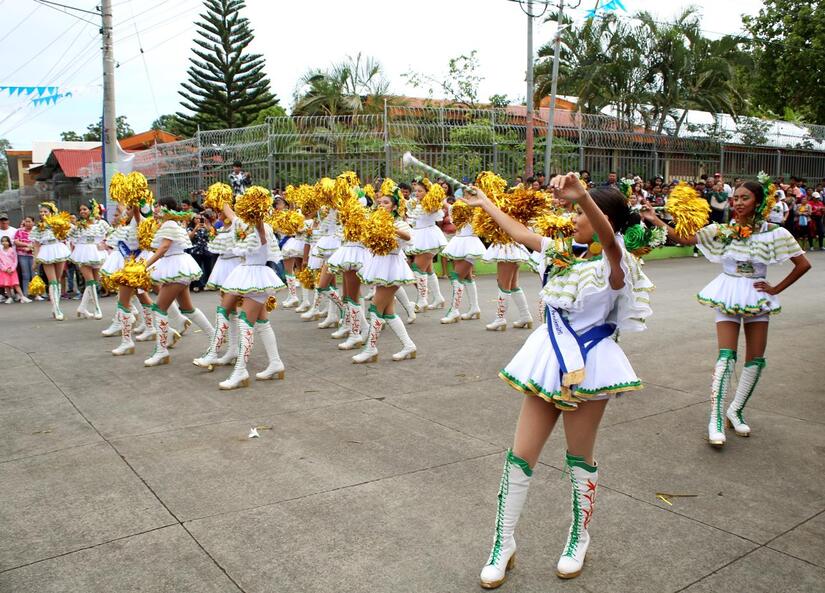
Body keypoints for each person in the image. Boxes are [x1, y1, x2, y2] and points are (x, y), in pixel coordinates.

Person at [463, 174, 653, 585]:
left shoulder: (615, 260)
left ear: (605, 218)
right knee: (520, 456)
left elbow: (608, 236)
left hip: (591, 364)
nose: (574, 216)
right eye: (573, 209)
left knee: (579, 458)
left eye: (582, 212)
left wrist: (584, 196)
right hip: (548, 360)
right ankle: (503, 542)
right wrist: (486, 204)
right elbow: (519, 232)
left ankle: (578, 538)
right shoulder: (562, 253)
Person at [641, 178, 810, 447]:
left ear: (759, 201)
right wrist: (654, 219)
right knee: (726, 356)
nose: (738, 203)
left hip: (758, 295)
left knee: (756, 358)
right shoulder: (722, 230)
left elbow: (802, 264)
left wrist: (776, 288)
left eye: (745, 198)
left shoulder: (775, 233)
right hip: (728, 293)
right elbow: (685, 238)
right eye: (736, 198)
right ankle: (716, 418)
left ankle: (736, 410)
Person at [215, 213, 286, 390]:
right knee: (262, 323)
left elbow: (261, 234)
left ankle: (240, 371)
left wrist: (258, 215)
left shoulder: (262, 228)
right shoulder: (245, 227)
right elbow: (232, 215)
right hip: (248, 275)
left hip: (256, 278)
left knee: (245, 323)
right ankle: (276, 363)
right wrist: (223, 200)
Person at [142, 198, 214, 367]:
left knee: (159, 309)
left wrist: (145, 265)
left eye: (158, 207)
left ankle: (161, 352)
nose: (156, 210)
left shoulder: (169, 225)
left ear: (166, 208)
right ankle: (215, 337)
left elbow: (164, 247)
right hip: (179, 267)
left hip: (175, 268)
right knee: (188, 309)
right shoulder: (174, 224)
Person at [355, 184, 417, 363]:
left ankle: (371, 348)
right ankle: (409, 346)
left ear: (395, 207)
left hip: (393, 267)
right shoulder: (374, 220)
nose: (382, 205)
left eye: (386, 203)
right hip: (379, 265)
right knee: (389, 312)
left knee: (375, 307)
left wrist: (390, 228)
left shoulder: (399, 222)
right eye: (380, 202)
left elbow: (409, 238)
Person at [439, 199, 484, 323]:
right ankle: (474, 308)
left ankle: (454, 311)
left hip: (470, 245)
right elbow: (448, 205)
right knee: (467, 277)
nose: (466, 196)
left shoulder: (479, 210)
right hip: (459, 243)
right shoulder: (457, 208)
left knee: (456, 276)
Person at [407, 178, 447, 311]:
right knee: (429, 270)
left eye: (420, 191)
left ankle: (422, 300)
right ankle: (438, 298)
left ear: (427, 192)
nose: (417, 193)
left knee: (417, 268)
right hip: (418, 236)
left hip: (428, 238)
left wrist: (435, 193)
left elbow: (438, 205)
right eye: (416, 190)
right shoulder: (415, 204)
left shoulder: (432, 204)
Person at [31, 202, 72, 320]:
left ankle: (56, 307)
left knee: (58, 279)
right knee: (52, 281)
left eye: (45, 212)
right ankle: (56, 309)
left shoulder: (58, 224)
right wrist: (36, 260)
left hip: (58, 249)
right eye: (41, 212)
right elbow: (36, 245)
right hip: (46, 252)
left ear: (51, 213)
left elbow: (66, 237)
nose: (43, 214)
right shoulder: (38, 227)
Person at [68, 200, 108, 319]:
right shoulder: (78, 225)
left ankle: (82, 307)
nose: (82, 212)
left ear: (91, 210)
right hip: (83, 253)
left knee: (95, 282)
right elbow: (68, 237)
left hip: (97, 252)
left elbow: (112, 234)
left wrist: (105, 244)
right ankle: (97, 309)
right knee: (90, 282)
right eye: (80, 210)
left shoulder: (101, 223)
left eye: (85, 209)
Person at [187, 212, 213, 292]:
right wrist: (195, 228)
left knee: (208, 268)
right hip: (195, 250)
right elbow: (189, 237)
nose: (198, 220)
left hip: (206, 249)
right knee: (197, 268)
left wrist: (207, 228)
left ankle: (207, 284)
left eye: (200, 218)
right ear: (193, 220)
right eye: (196, 218)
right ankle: (197, 285)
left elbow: (212, 236)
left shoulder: (205, 227)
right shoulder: (190, 228)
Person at [0, 236, 30, 303]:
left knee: (16, 284)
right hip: (4, 271)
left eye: (6, 241)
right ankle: (10, 297)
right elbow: (0, 262)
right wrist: (5, 269)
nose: (4, 242)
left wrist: (12, 268)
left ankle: (22, 297)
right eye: (3, 241)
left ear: (9, 242)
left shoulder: (12, 250)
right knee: (6, 285)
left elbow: (15, 260)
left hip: (12, 270)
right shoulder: (0, 251)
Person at [13, 217, 35, 299]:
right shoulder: (19, 231)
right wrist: (27, 245)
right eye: (26, 221)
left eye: (29, 221)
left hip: (33, 255)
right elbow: (16, 241)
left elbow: (38, 242)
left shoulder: (36, 231)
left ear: (33, 222)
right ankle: (25, 294)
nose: (27, 223)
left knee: (34, 274)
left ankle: (36, 293)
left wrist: (30, 248)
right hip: (22, 255)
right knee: (25, 275)